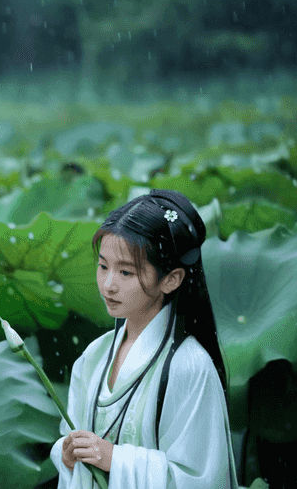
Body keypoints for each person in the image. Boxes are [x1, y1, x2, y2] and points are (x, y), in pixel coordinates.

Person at [49, 189, 239, 488]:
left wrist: (114, 458)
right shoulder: (93, 356)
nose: (108, 285)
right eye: (103, 267)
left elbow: (200, 479)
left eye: (125, 272)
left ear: (171, 279)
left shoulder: (189, 367)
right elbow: (68, 441)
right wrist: (67, 453)